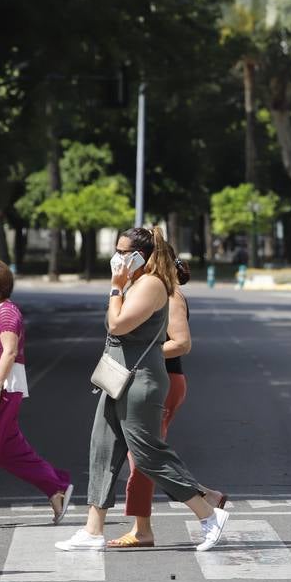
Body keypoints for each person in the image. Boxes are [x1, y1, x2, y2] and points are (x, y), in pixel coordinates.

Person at [55, 226, 229, 552]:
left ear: (143, 256)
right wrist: (121, 287)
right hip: (117, 377)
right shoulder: (135, 283)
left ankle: (208, 514)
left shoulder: (150, 285)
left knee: (148, 455)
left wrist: (115, 288)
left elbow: (117, 324)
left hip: (140, 382)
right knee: (103, 449)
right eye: (116, 251)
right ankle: (93, 530)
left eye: (124, 252)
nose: (118, 258)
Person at [109, 258, 226, 548]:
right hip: (149, 377)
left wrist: (144, 353)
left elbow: (182, 343)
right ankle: (205, 496)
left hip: (165, 379)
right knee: (144, 456)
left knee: (145, 458)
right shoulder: (147, 290)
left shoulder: (170, 295)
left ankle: (144, 529)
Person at [0, 259, 73, 527]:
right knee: (11, 452)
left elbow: (9, 351)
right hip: (1, 390)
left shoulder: (6, 313)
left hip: (0, 391)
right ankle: (57, 488)